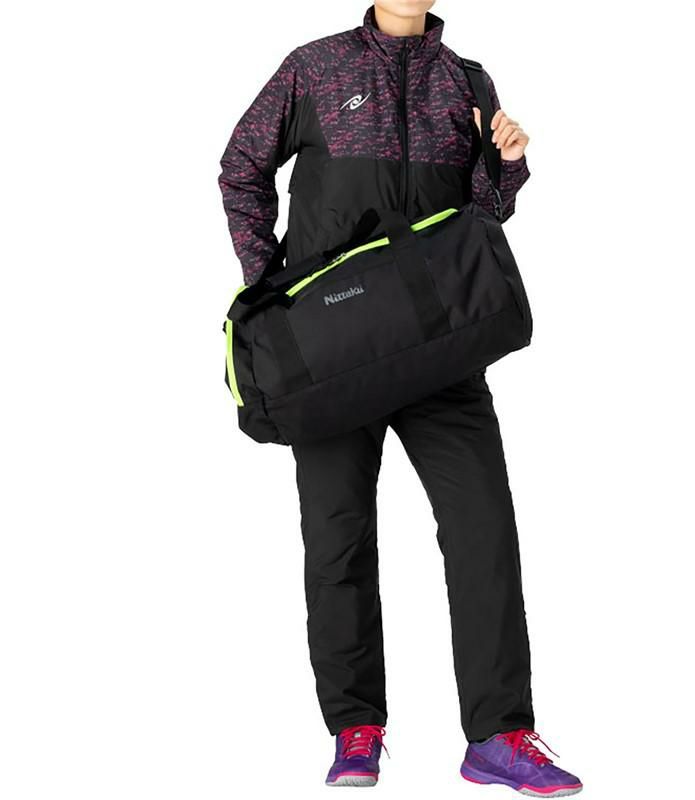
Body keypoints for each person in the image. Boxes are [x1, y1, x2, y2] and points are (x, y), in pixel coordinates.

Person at [218, 1, 582, 795]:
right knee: (337, 539)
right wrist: (273, 291)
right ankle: (356, 728)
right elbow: (241, 167)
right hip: (333, 358)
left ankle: (499, 735)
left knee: (484, 531)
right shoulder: (313, 67)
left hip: (440, 352)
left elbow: (480, 221)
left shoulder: (468, 82)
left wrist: (507, 164)